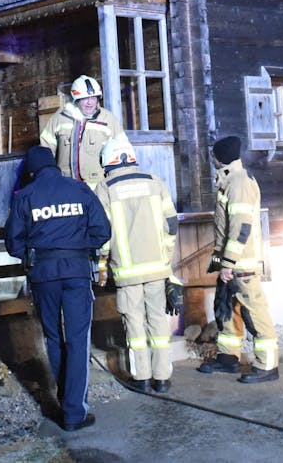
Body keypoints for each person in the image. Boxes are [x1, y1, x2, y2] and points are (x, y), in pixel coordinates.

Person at [6, 145, 112, 431]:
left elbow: (13, 243)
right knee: (78, 339)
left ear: (31, 171)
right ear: (54, 165)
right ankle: (74, 411)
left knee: (54, 337)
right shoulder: (79, 190)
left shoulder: (24, 196)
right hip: (77, 273)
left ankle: (65, 402)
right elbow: (103, 231)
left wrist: (32, 253)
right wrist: (80, 247)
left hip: (43, 275)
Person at [92, 134, 180, 394]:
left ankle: (141, 378)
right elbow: (171, 223)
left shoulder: (105, 187)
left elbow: (103, 233)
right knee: (158, 323)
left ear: (108, 161)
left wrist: (103, 262)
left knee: (134, 325)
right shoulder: (154, 182)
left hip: (126, 273)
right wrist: (166, 256)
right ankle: (162, 378)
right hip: (157, 268)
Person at [196, 135, 279, 383]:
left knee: (254, 313)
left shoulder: (239, 183)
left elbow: (241, 227)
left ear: (219, 158)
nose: (212, 159)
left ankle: (267, 366)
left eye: (213, 155)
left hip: (241, 264)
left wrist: (229, 263)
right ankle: (228, 358)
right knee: (226, 310)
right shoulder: (229, 180)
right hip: (230, 263)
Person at [40, 75, 126, 187]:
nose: (90, 103)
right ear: (76, 99)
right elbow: (45, 152)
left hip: (98, 188)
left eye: (93, 98)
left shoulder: (109, 119)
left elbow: (123, 151)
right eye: (85, 98)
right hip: (66, 186)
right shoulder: (59, 118)